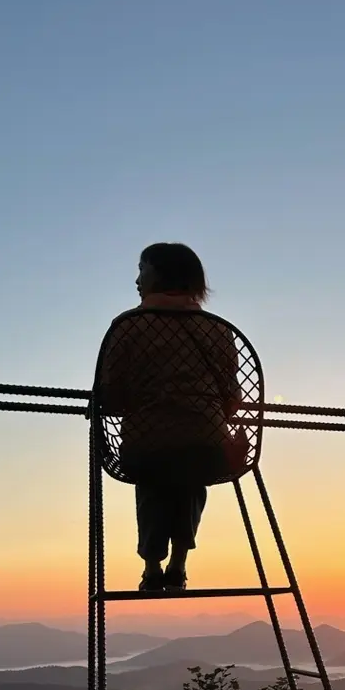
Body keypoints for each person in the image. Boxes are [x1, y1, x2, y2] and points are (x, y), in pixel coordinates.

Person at [96, 243, 242, 593]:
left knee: (153, 472)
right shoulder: (217, 330)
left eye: (142, 269)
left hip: (146, 447)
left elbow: (109, 397)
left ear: (160, 274)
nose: (136, 279)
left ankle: (151, 566)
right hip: (209, 446)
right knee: (193, 470)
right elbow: (233, 401)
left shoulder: (129, 325)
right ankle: (179, 564)